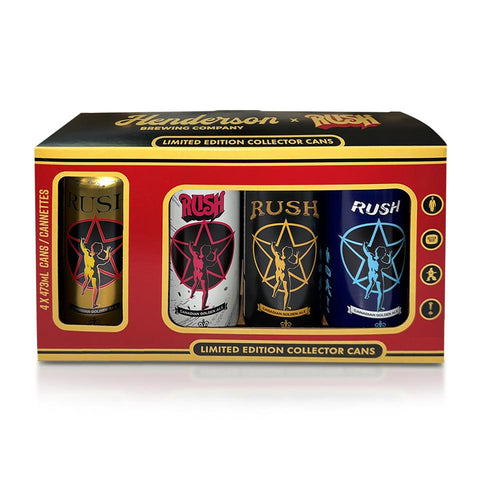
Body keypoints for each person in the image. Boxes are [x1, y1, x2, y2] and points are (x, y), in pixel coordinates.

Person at [80, 238, 111, 308]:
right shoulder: (96, 259)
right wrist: (108, 252)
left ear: (92, 248)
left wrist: (81, 241)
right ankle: (93, 304)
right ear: (99, 251)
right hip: (93, 273)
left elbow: (82, 247)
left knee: (86, 280)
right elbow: (105, 260)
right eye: (101, 249)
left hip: (86, 270)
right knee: (96, 289)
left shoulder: (87, 252)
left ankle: (82, 292)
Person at [362, 242, 392, 311]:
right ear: (383, 255)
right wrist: (390, 257)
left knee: (371, 283)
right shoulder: (380, 262)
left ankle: (366, 295)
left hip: (370, 274)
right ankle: (379, 308)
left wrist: (364, 245)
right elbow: (388, 264)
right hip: (377, 276)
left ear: (375, 252)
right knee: (380, 293)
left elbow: (365, 251)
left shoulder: (370, 256)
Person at [189, 242, 218, 310]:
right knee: (205, 292)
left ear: (201, 250)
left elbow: (191, 250)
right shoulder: (205, 261)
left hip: (196, 273)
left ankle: (191, 295)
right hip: (202, 275)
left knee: (195, 283)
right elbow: (214, 262)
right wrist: (215, 254)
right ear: (208, 253)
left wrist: (190, 245)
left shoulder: (195, 255)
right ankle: (203, 307)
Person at [271, 242, 300, 310]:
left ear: (283, 252)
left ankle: (273, 294)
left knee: (278, 283)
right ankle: (285, 307)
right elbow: (296, 265)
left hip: (277, 273)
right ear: (289, 255)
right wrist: (297, 257)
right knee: (287, 292)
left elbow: (273, 251)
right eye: (291, 253)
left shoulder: (277, 256)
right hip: (284, 276)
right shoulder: (287, 262)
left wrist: (272, 245)